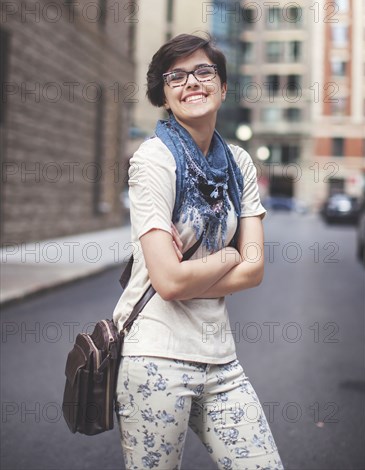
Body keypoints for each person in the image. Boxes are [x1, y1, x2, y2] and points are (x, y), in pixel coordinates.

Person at [113, 33, 284, 470]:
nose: (192, 82)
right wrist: (229, 256)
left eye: (204, 71)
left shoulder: (239, 163)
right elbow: (168, 283)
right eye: (177, 76)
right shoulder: (154, 160)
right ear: (164, 96)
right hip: (155, 359)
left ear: (223, 87)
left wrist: (207, 267)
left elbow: (256, 270)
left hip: (221, 360)